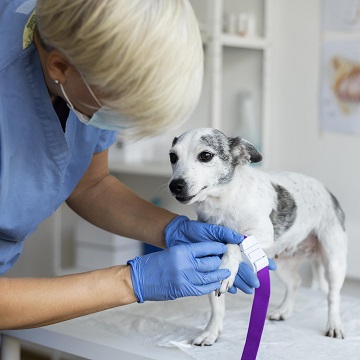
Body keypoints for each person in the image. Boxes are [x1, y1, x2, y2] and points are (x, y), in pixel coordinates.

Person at [0, 0, 275, 330]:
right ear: (60, 68)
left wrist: (171, 230)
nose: (120, 125)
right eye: (118, 107)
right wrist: (131, 282)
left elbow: (91, 183)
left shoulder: (85, 72)